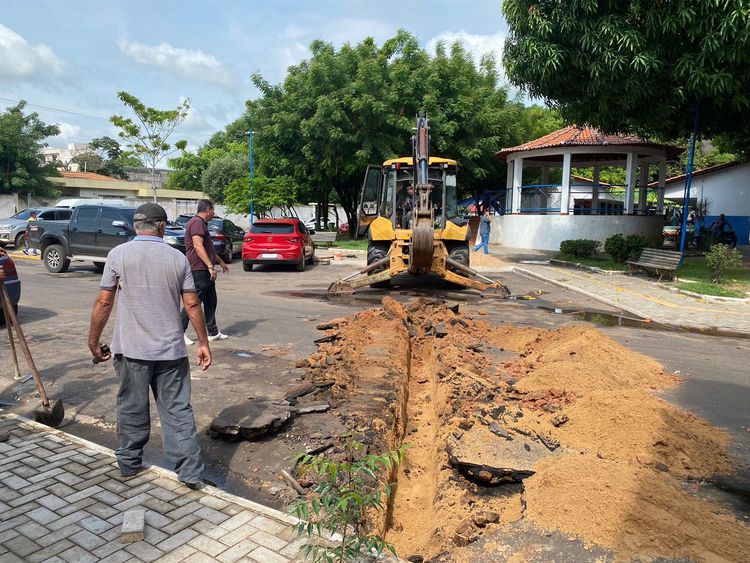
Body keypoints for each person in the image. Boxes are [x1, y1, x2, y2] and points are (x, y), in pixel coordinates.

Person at [88, 203, 212, 488]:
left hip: (131, 350)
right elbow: (191, 303)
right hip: (171, 351)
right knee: (178, 410)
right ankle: (190, 473)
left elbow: (104, 300)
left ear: (135, 226)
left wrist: (93, 341)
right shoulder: (177, 258)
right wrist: (203, 342)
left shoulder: (118, 255)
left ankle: (130, 464)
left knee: (131, 406)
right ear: (161, 226)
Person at [180, 199, 229, 344]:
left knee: (211, 301)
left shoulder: (202, 224)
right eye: (213, 210)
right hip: (198, 269)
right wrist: (210, 266)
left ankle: (213, 332)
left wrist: (220, 262)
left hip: (205, 270)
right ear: (207, 209)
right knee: (193, 302)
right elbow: (197, 246)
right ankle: (179, 333)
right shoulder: (197, 223)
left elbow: (208, 248)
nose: (214, 213)